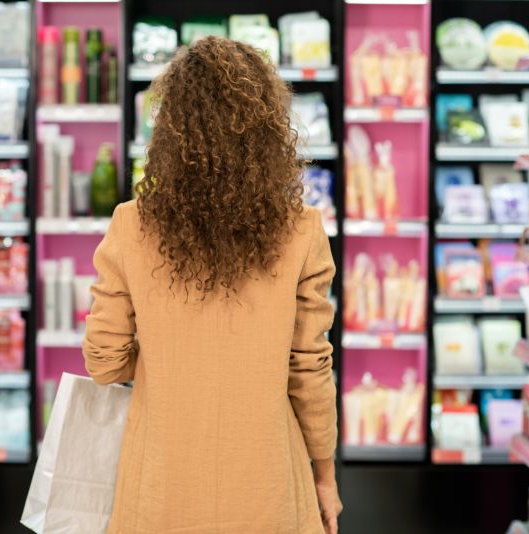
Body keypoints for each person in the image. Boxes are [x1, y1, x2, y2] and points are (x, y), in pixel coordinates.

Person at [82, 36, 341, 534]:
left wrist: (165, 359)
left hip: (159, 488)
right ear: (269, 129)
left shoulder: (131, 225)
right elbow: (310, 369)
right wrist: (325, 477)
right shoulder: (302, 231)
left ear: (170, 128)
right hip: (269, 487)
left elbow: (104, 362)